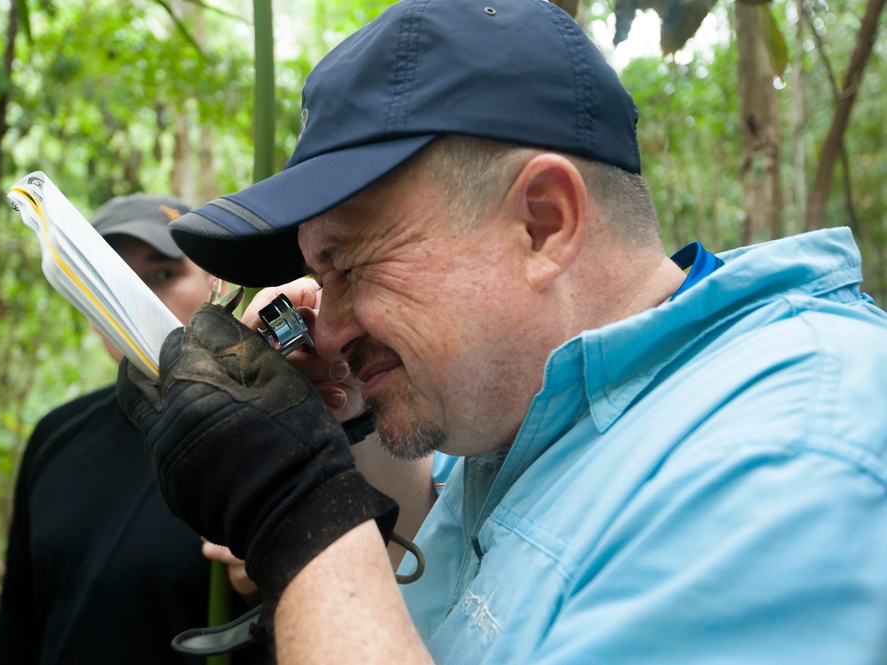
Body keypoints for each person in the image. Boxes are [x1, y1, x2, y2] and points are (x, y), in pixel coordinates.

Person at [116, 0, 887, 663]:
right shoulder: (548, 419)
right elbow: (449, 565)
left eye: (351, 263)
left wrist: (298, 513)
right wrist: (341, 427)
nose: (333, 319)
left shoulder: (777, 454)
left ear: (542, 223)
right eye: (322, 274)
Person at [0, 193, 266, 664]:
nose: (134, 298)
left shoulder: (264, 439)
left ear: (214, 286)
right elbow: (18, 624)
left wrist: (268, 585)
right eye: (110, 280)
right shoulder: (56, 436)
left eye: (163, 274)